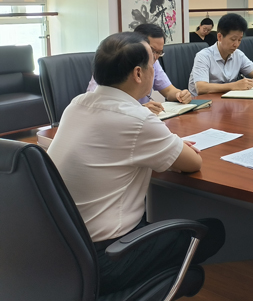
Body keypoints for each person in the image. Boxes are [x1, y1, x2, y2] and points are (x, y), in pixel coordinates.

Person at [48, 32, 224, 296]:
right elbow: (192, 162)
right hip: (107, 258)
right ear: (138, 73)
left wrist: (162, 144)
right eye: (153, 63)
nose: (155, 69)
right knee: (213, 231)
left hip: (62, 250)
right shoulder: (137, 119)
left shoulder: (76, 105)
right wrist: (170, 144)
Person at [87, 23, 191, 115]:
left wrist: (180, 95)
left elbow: (168, 90)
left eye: (159, 52)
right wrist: (139, 109)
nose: (155, 57)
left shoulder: (153, 62)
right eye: (152, 50)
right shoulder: (115, 62)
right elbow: (96, 104)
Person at [188, 13, 253, 96]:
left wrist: (248, 84)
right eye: (233, 39)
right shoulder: (203, 56)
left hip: (228, 99)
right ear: (219, 37)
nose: (236, 44)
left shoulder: (238, 54)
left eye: (239, 40)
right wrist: (234, 86)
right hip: (205, 102)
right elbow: (201, 88)